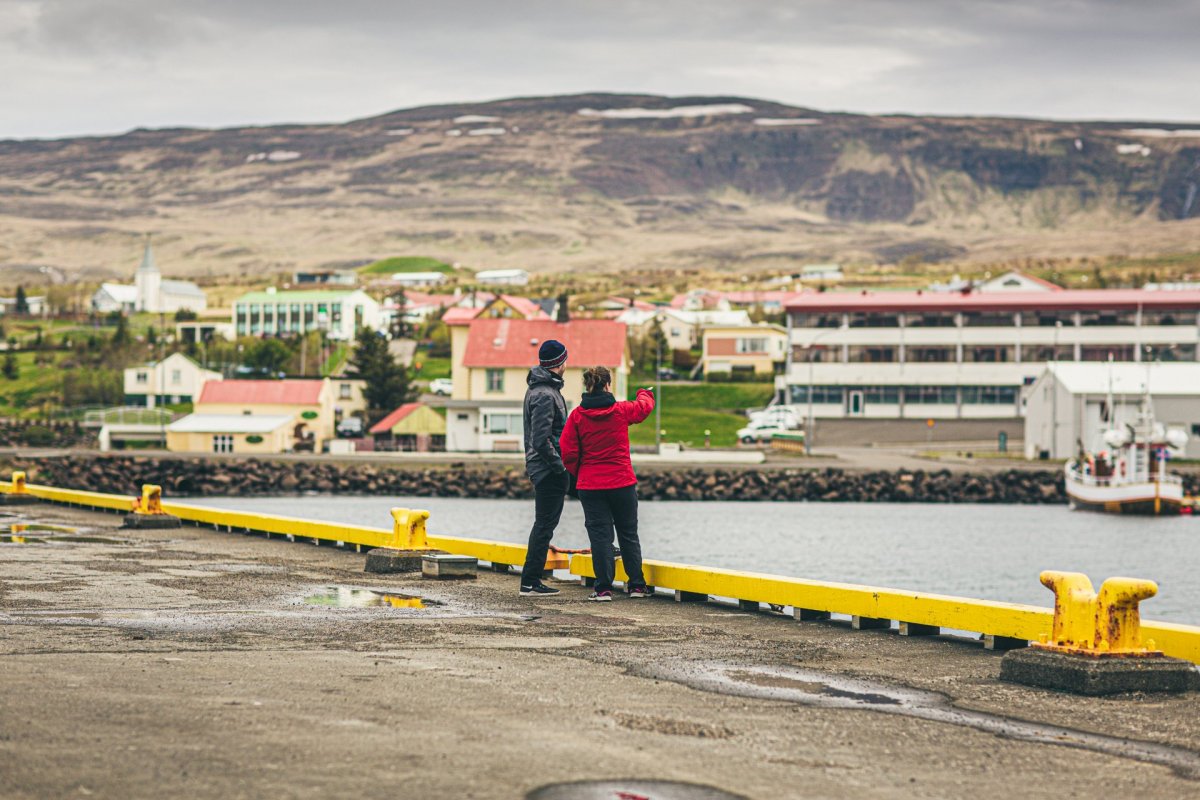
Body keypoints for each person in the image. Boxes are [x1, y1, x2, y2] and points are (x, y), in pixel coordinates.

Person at [559, 366, 655, 601]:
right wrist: (645, 392)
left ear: (587, 386)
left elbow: (567, 451)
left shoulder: (577, 417)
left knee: (601, 537)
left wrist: (581, 473)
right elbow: (644, 408)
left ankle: (603, 589)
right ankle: (637, 586)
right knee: (628, 533)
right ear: (608, 385)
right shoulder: (621, 411)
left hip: (591, 485)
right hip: (622, 482)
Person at [518, 339, 570, 596]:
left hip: (546, 466)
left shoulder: (541, 390)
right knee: (544, 524)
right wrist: (560, 467)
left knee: (545, 523)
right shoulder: (545, 394)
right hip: (549, 469)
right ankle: (530, 581)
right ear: (559, 363)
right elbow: (541, 439)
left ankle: (531, 580)